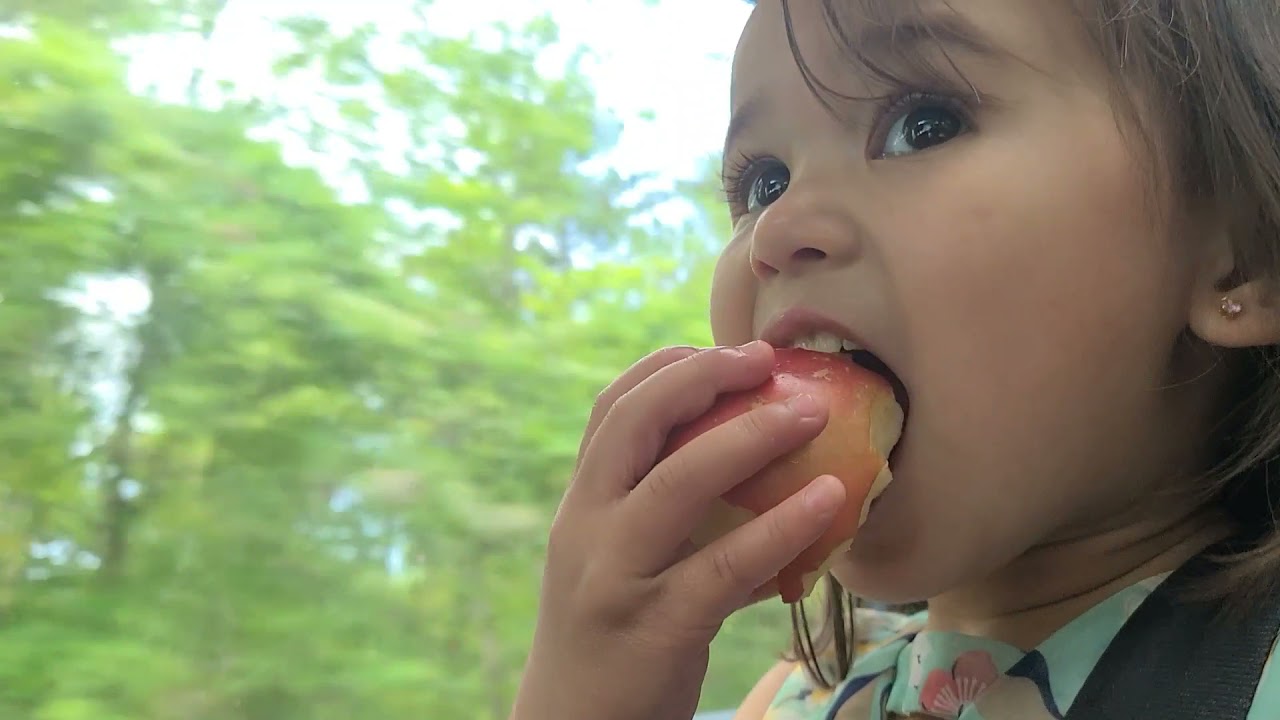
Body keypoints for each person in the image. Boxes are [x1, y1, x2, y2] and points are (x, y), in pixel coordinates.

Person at [507, 0, 1280, 718]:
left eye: (925, 123)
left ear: (1242, 253)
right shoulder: (797, 699)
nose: (777, 230)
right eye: (763, 182)